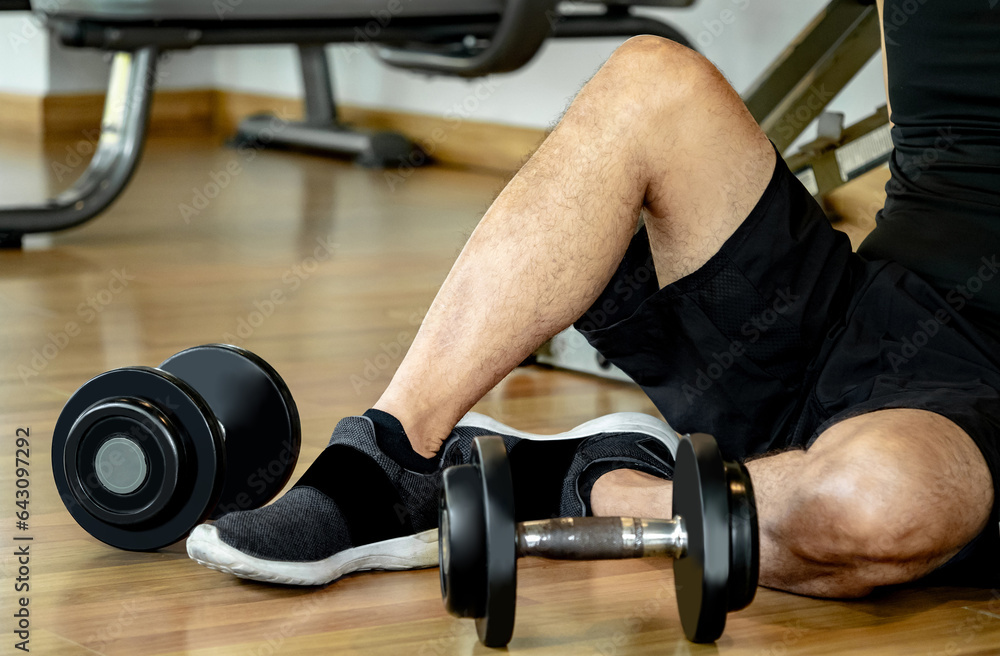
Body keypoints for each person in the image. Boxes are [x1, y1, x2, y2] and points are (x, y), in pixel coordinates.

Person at [188, 0, 1000, 596]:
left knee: (872, 503)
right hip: (873, 304)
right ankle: (392, 458)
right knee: (652, 80)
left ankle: (582, 482)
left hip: (963, 406)